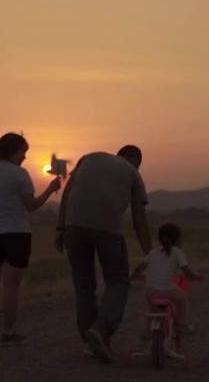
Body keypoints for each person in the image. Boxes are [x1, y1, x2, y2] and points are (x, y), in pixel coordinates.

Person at [55, 145, 152, 364]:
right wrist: (150, 254)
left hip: (74, 227)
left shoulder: (89, 158)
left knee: (83, 285)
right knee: (118, 281)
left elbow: (68, 192)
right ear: (136, 161)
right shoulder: (133, 174)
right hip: (108, 230)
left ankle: (89, 340)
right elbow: (139, 220)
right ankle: (101, 328)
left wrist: (60, 228)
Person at [0, 132, 61, 346]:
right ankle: (8, 331)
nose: (25, 157)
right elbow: (32, 206)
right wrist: (50, 189)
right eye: (23, 152)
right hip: (16, 234)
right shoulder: (20, 174)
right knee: (11, 286)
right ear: (12, 152)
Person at [129, 223, 202, 334]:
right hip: (168, 290)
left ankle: (148, 331)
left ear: (160, 239)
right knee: (182, 298)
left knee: (152, 308)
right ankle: (182, 325)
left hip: (150, 290)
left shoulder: (153, 252)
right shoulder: (178, 252)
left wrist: (133, 277)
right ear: (177, 240)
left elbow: (139, 268)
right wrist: (195, 276)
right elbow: (186, 271)